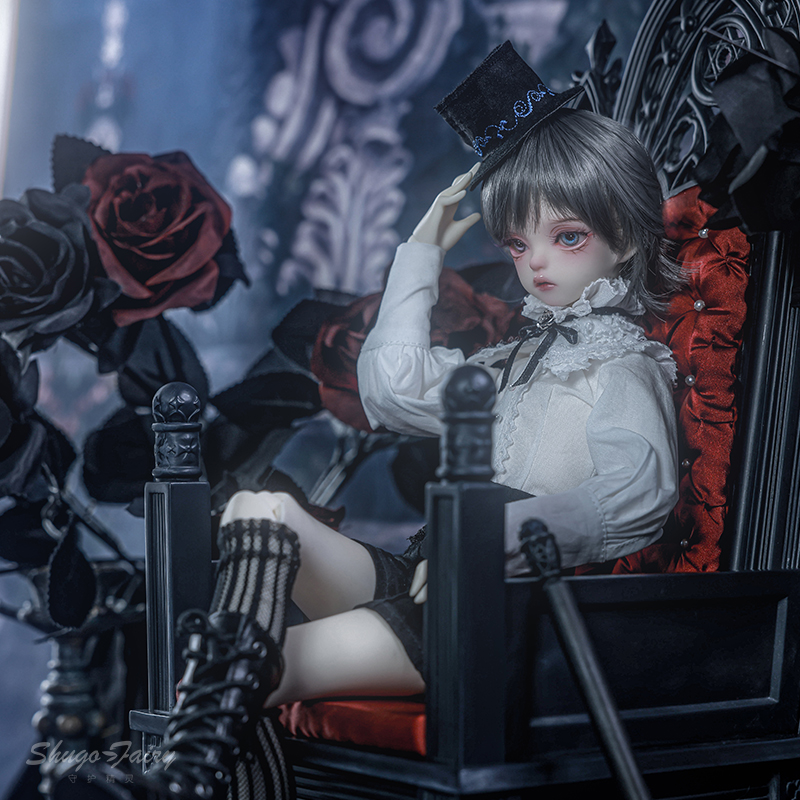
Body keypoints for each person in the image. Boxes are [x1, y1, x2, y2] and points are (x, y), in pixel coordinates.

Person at [81, 42, 680, 800]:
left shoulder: (624, 367)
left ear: (624, 238)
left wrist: (492, 536)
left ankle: (186, 775)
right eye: (518, 243)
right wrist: (419, 252)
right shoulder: (515, 361)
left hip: (500, 614)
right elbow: (390, 392)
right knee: (259, 509)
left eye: (567, 238)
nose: (535, 264)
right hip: (427, 578)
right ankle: (201, 747)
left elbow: (640, 496)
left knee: (258, 667)